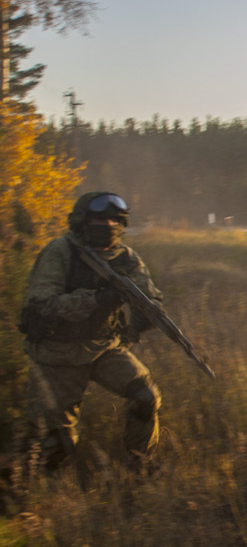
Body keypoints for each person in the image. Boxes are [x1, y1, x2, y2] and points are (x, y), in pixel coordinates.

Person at [17, 192, 164, 475]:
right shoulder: (60, 252)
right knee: (56, 445)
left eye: (112, 219)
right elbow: (42, 304)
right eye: (99, 219)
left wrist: (147, 314)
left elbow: (150, 296)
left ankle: (140, 464)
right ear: (83, 222)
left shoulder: (125, 257)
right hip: (57, 353)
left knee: (146, 398)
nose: (106, 224)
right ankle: (32, 496)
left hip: (104, 347)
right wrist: (98, 299)